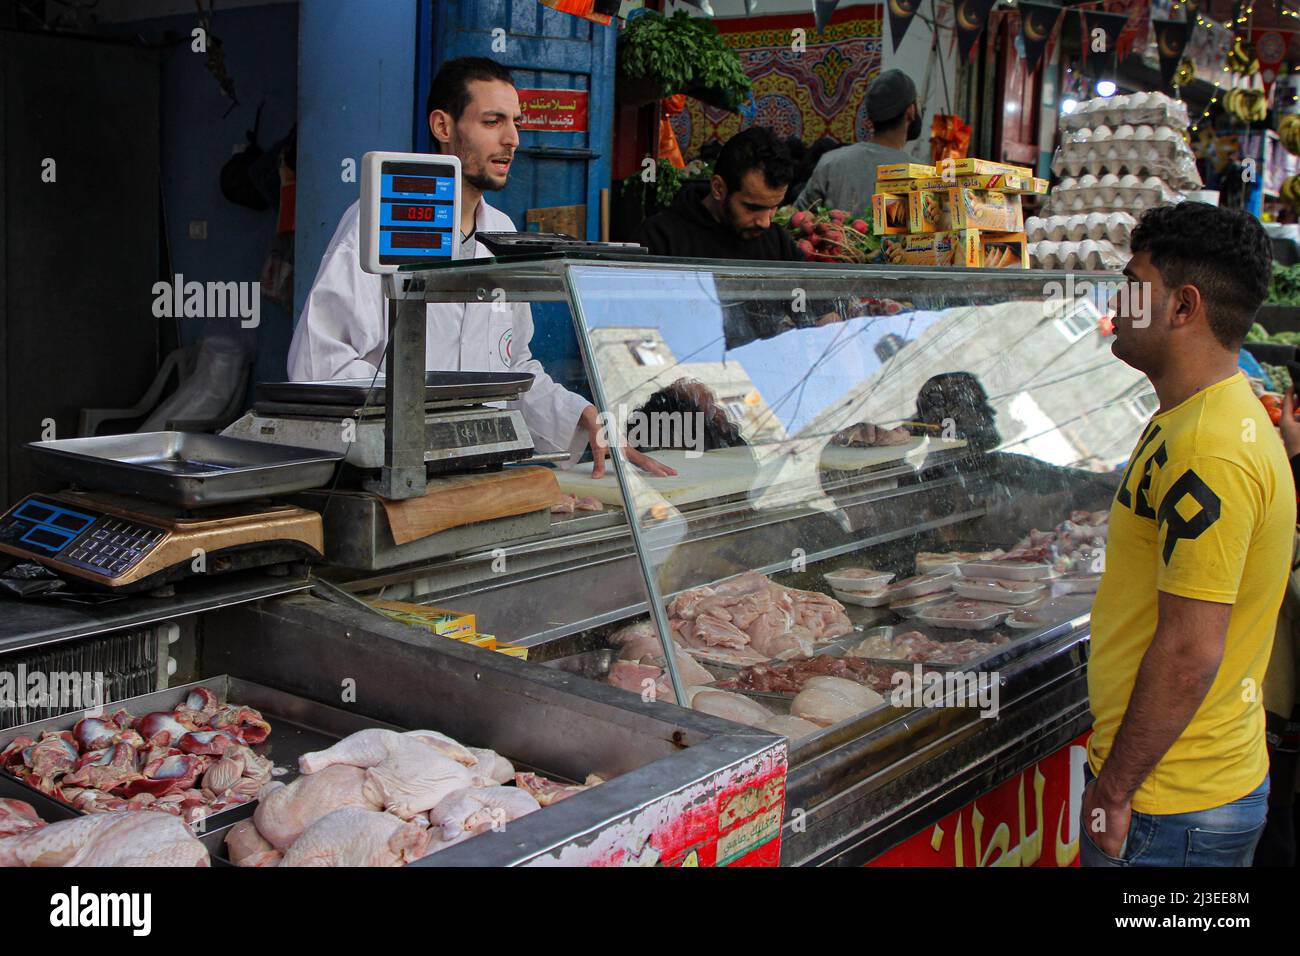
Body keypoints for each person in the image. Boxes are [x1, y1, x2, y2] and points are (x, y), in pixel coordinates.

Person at [286, 56, 672, 479]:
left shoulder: (502, 233)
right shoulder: (380, 224)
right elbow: (320, 365)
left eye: (516, 122)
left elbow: (513, 368)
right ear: (443, 126)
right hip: (390, 473)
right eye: (492, 122)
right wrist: (430, 417)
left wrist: (582, 415)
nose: (512, 139)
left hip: (477, 471)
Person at [1082, 202, 1294, 867]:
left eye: (1133, 281)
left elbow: (1189, 650)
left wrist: (1115, 791)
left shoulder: (1209, 448)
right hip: (1178, 791)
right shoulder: (1200, 413)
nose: (1117, 299)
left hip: (1171, 808)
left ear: (1183, 307)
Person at [634, 126, 802, 261]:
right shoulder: (660, 238)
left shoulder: (779, 244)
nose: (765, 222)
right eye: (752, 207)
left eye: (773, 207)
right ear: (718, 188)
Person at [794, 69, 921, 215]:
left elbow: (799, 219)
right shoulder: (920, 174)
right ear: (910, 111)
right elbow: (933, 236)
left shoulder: (831, 162)